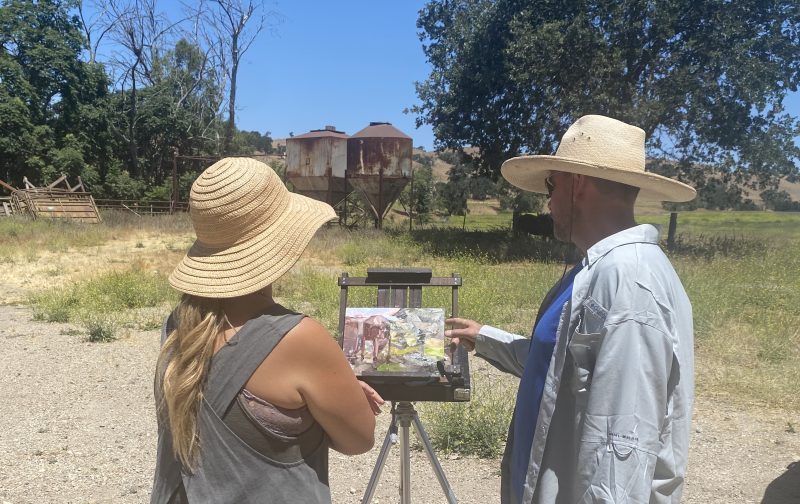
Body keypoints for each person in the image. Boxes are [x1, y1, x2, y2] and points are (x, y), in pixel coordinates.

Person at [446, 115, 697, 504]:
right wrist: (486, 339)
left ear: (577, 184)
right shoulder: (594, 270)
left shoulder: (629, 282)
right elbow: (557, 365)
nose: (547, 201)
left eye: (552, 184)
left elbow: (619, 445)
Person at [150, 157, 384, 504]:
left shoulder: (179, 324)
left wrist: (325, 388)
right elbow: (358, 440)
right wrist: (336, 392)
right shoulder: (299, 337)